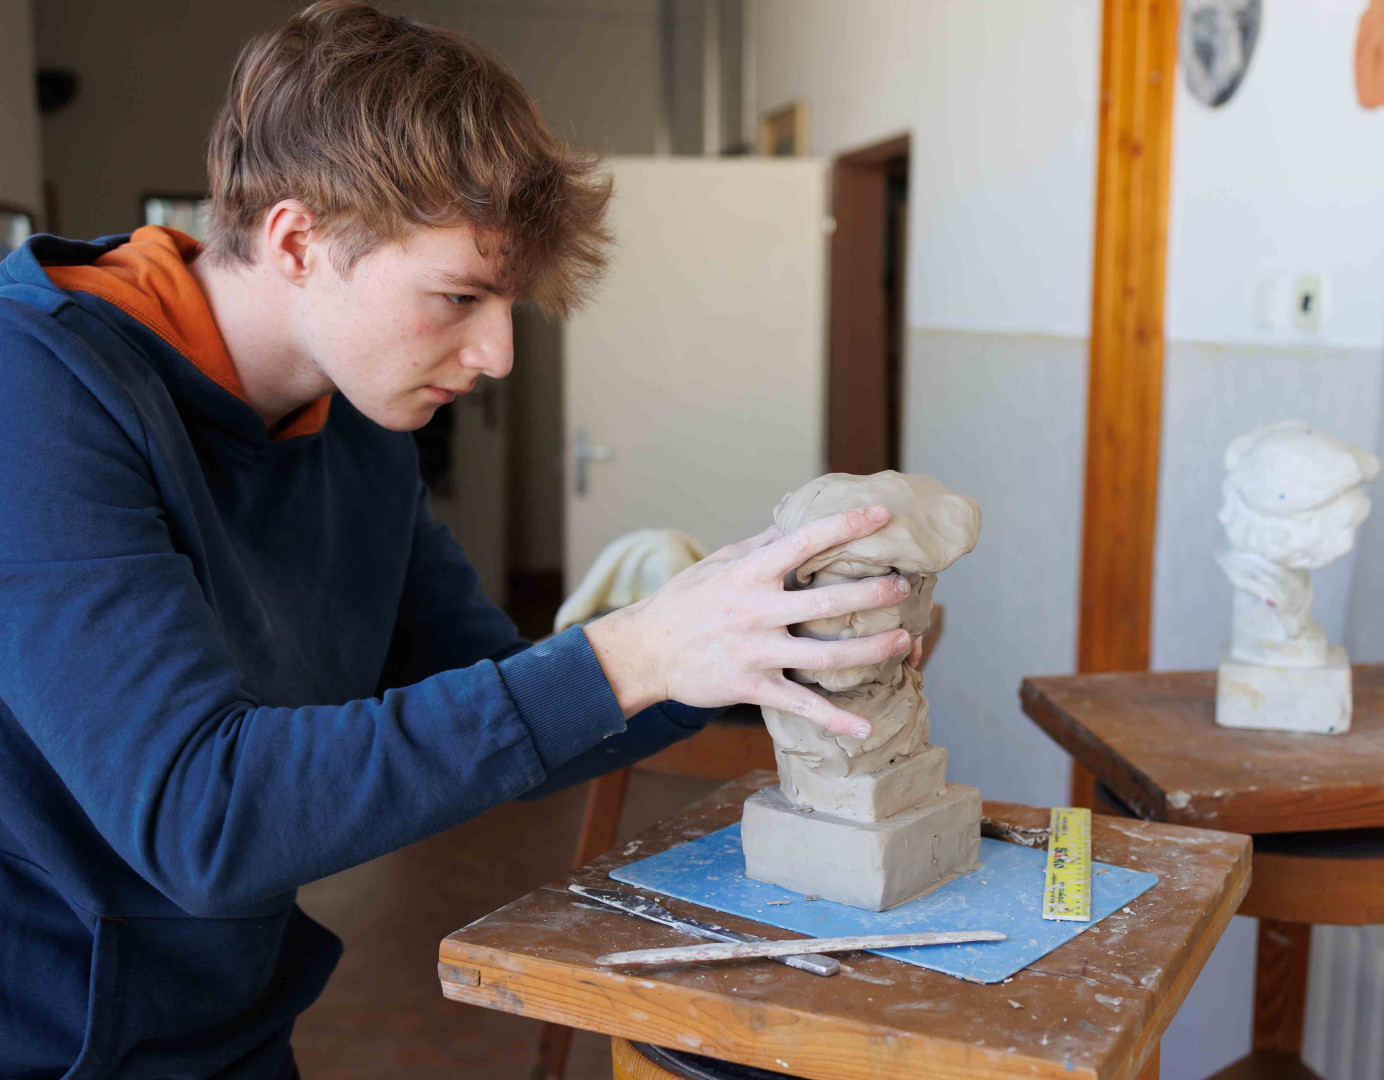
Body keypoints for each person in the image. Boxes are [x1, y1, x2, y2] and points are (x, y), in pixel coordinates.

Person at [0, 4, 913, 1077]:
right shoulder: (36, 393)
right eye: (459, 296)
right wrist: (634, 653)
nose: (496, 353)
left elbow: (501, 700)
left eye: (507, 303)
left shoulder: (357, 420)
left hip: (228, 1026)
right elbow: (205, 819)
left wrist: (735, 647)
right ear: (297, 242)